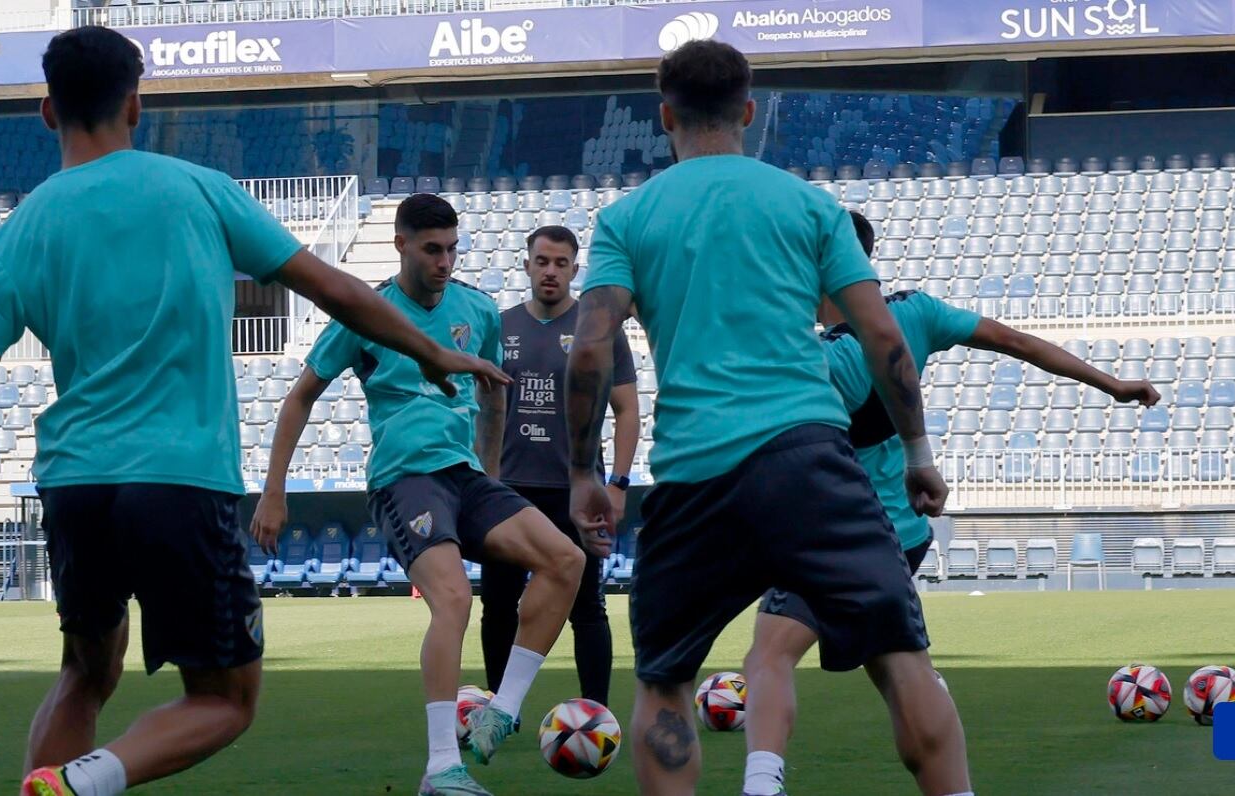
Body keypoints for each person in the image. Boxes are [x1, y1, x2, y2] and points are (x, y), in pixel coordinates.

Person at [0, 27, 506, 796]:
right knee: (226, 698)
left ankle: (50, 783)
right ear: (136, 106)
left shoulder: (20, 230)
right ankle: (88, 780)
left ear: (47, 112)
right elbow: (336, 289)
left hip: (73, 484)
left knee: (85, 671)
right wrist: (433, 351)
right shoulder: (197, 188)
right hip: (179, 478)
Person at [561, 40, 971, 796]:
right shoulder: (809, 203)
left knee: (664, 680)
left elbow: (589, 352)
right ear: (749, 111)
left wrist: (585, 474)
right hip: (809, 459)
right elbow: (882, 338)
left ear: (665, 117)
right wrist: (917, 452)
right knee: (899, 655)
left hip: (692, 475)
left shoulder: (626, 218)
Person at [737, 211, 1160, 795]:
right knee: (902, 672)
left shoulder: (825, 358)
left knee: (771, 655)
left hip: (833, 533)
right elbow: (1013, 342)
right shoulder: (916, 312)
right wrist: (1111, 384)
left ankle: (762, 783)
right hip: (902, 539)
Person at [253, 194, 586, 796]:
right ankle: (440, 768)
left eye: (453, 248)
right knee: (454, 599)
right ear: (401, 244)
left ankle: (501, 710)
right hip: (404, 478)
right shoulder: (366, 313)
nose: (446, 261)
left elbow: (492, 394)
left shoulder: (477, 312)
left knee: (568, 560)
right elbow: (300, 395)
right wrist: (273, 491)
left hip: (466, 477)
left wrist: (490, 476)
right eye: (433, 249)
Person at [479, 224, 638, 708]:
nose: (550, 271)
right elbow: (479, 410)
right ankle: (501, 709)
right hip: (508, 491)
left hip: (579, 491)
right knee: (499, 606)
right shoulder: (498, 327)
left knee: (587, 605)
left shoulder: (597, 333)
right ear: (526, 265)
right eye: (542, 261)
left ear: (574, 268)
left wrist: (618, 484)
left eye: (561, 263)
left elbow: (627, 409)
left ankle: (595, 712)